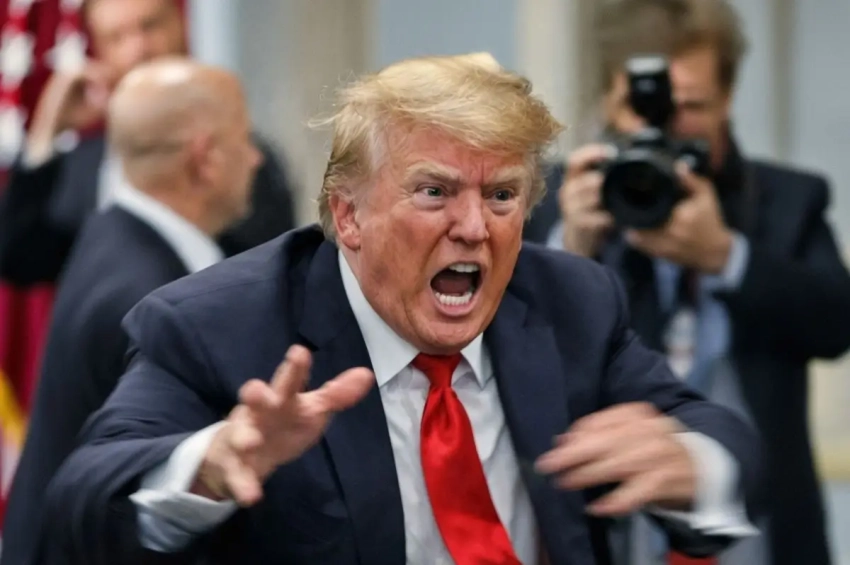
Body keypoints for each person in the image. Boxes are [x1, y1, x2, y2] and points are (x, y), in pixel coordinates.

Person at [41, 53, 762, 565]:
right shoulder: (218, 326)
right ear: (348, 215)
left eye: (502, 195)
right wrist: (210, 465)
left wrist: (691, 461)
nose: (474, 227)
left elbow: (718, 432)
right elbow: (79, 499)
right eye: (434, 192)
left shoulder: (570, 301)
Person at [525, 1, 850, 564]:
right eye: (643, 106)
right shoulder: (549, 199)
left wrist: (726, 256)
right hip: (607, 524)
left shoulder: (787, 200)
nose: (665, 126)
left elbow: (836, 324)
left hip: (758, 525)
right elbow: (507, 348)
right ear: (609, 99)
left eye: (691, 106)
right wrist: (572, 249)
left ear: (727, 99)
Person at [1, 57, 263, 565]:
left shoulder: (111, 232)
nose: (254, 159)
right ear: (204, 160)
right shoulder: (155, 301)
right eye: (244, 139)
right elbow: (160, 503)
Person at [0, 0, 295, 287]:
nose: (139, 48)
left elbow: (272, 263)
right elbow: (18, 256)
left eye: (150, 26)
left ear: (181, 24)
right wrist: (45, 131)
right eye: (117, 37)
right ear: (99, 50)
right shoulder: (83, 166)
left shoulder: (241, 153)